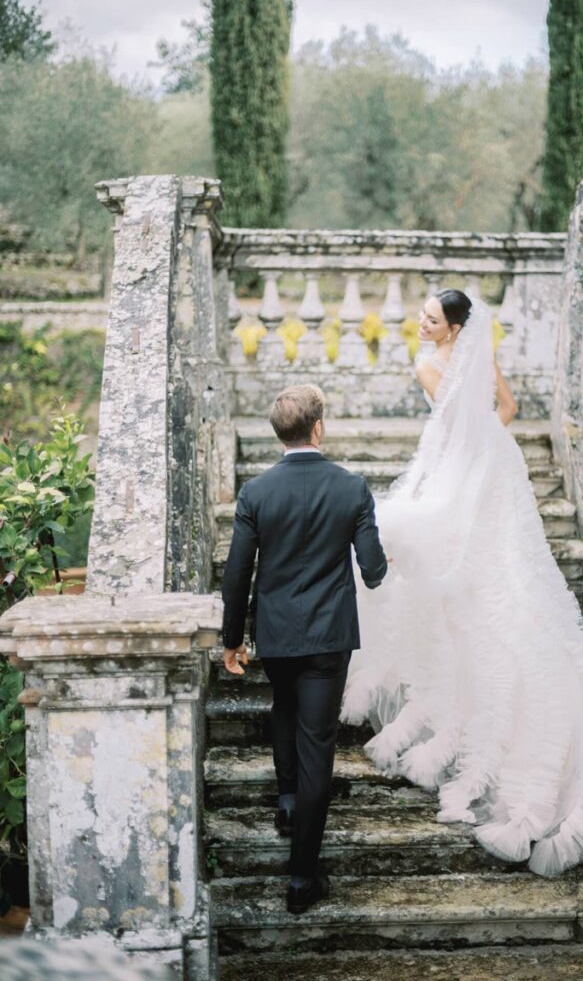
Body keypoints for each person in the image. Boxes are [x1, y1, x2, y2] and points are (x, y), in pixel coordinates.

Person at [342, 290, 583, 877]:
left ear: (454, 327)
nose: (420, 324)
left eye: (431, 320)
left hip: (472, 471)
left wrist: (441, 482)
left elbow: (452, 432)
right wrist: (489, 453)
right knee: (504, 576)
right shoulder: (479, 357)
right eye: (421, 315)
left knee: (446, 567)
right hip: (500, 468)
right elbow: (506, 412)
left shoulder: (428, 366)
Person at [220, 383, 388, 913]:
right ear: (317, 427)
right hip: (328, 636)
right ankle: (301, 879)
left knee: (284, 706)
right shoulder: (352, 488)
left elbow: (236, 574)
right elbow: (374, 571)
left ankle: (289, 801)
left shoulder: (256, 493)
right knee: (318, 743)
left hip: (275, 632)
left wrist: (232, 640)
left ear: (280, 434)